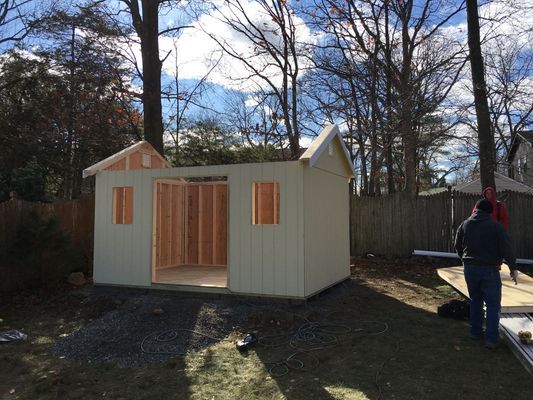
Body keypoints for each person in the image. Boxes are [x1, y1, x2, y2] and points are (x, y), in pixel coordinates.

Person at [455, 198, 518, 348]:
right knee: (493, 304)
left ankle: (475, 332)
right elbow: (506, 248)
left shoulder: (465, 224)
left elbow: (457, 245)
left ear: (476, 209)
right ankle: (491, 339)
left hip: (469, 269)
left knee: (475, 300)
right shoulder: (495, 226)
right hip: (489, 270)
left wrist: (464, 260)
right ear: (490, 213)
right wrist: (513, 268)